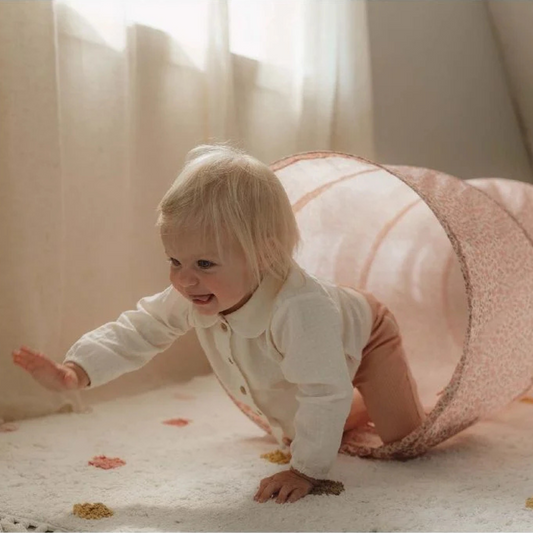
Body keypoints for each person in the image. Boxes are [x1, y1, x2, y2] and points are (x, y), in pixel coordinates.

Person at [12, 144, 425, 504]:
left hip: (368, 335)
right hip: (320, 350)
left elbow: (321, 391)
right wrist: (77, 371)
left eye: (204, 264)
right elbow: (140, 328)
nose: (184, 279)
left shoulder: (300, 309)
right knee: (307, 414)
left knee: (404, 444)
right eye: (175, 261)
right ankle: (352, 401)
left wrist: (306, 471)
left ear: (264, 255)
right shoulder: (193, 294)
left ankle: (369, 390)